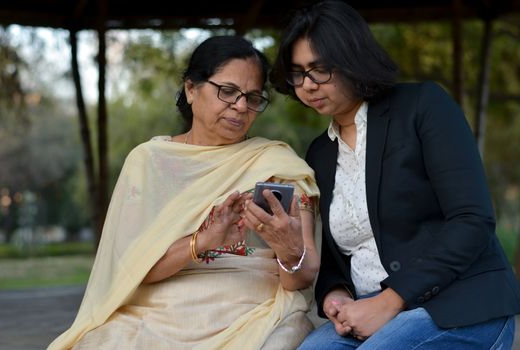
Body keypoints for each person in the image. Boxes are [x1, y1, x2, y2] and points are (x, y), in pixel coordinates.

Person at [270, 1, 520, 349]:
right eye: (298, 73)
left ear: (352, 58)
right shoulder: (320, 152)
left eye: (319, 69)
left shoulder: (423, 106)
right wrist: (336, 293)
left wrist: (390, 301)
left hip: (458, 306)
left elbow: (472, 220)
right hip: (366, 313)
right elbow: (336, 257)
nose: (307, 85)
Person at [48, 35, 320, 350]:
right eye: (228, 91)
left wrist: (287, 249)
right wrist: (202, 241)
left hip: (252, 309)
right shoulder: (149, 161)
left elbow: (303, 277)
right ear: (191, 89)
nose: (242, 106)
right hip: (157, 309)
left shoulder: (277, 165)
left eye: (253, 97)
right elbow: (129, 272)